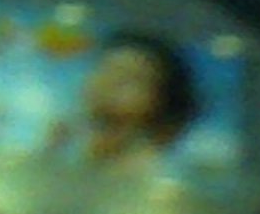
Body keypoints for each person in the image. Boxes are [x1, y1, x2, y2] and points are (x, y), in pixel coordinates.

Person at [68, 31, 199, 179]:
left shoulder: (156, 179)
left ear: (159, 101)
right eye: (105, 69)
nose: (108, 82)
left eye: (131, 79)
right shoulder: (68, 148)